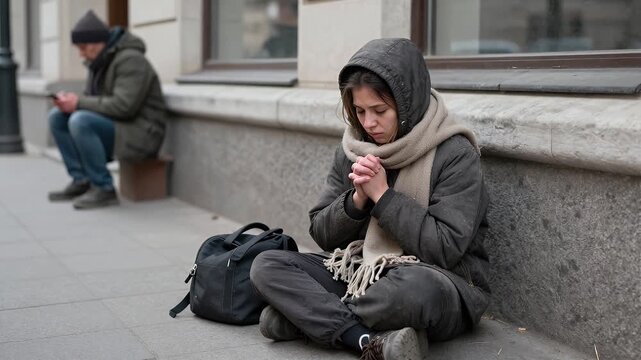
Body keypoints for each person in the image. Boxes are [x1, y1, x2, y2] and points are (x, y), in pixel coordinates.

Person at [250, 38, 490, 360]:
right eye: (359, 111)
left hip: (440, 280)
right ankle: (364, 338)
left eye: (380, 111)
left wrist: (383, 196)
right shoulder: (354, 148)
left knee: (415, 290)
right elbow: (321, 233)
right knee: (267, 264)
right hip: (361, 270)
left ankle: (305, 320)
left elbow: (444, 247)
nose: (369, 123)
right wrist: (357, 200)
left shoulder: (454, 153)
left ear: (407, 106)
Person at [47, 10, 166, 209]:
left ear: (97, 43)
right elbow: (93, 102)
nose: (81, 53)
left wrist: (78, 103)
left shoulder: (131, 60)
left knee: (80, 120)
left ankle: (104, 188)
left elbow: (124, 106)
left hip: (142, 134)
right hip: (120, 127)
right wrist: (69, 103)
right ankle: (82, 180)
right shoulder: (99, 63)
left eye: (83, 47)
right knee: (58, 116)